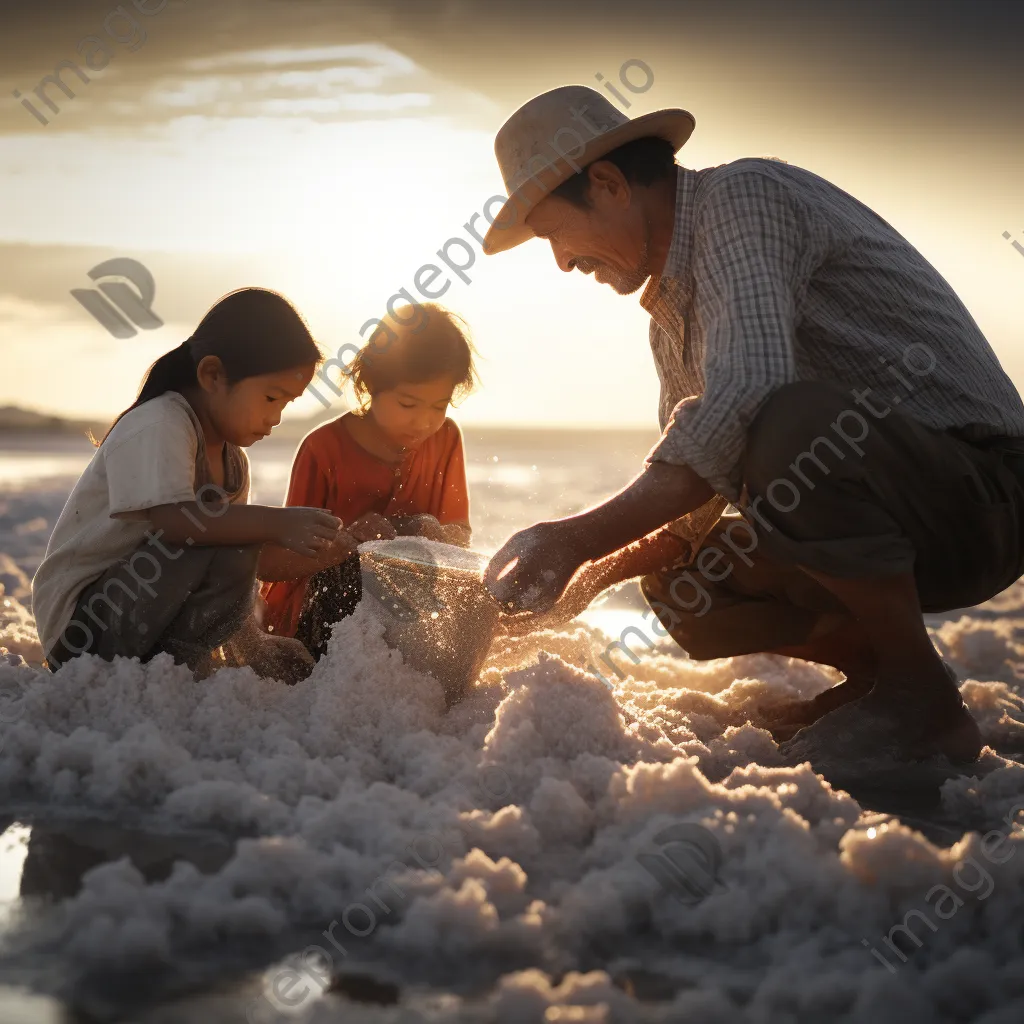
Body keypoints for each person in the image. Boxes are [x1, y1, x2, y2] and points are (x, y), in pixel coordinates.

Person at [479, 85, 1024, 769]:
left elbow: (751, 391)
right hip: (901, 510)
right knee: (682, 569)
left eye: (556, 234)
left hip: (987, 494)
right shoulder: (671, 315)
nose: (561, 262)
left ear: (611, 185)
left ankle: (923, 702)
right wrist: (587, 574)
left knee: (788, 424)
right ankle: (882, 677)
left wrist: (570, 536)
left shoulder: (746, 200)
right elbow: (696, 501)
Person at [33, 287, 342, 683]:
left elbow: (251, 563)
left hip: (143, 617)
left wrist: (322, 552)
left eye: (286, 404)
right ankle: (181, 667)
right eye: (270, 398)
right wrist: (276, 522)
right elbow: (175, 524)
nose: (276, 417)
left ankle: (183, 663)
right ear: (213, 375)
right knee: (221, 533)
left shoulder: (233, 463)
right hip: (84, 629)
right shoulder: (161, 421)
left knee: (235, 539)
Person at [258, 302, 476, 659]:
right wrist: (347, 542)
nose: (424, 421)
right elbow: (283, 566)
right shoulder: (323, 450)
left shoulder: (446, 438)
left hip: (413, 605)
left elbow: (458, 537)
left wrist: (425, 529)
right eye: (408, 404)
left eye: (439, 405)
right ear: (369, 384)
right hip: (328, 617)